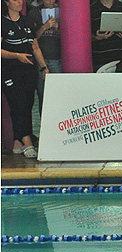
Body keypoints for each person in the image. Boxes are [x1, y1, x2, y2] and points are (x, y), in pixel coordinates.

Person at [3, 0, 48, 158]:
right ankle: (27, 141)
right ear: (7, 3)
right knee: (19, 103)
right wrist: (16, 56)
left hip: (29, 69)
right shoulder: (2, 22)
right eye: (15, 0)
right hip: (9, 70)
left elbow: (35, 47)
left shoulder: (28, 21)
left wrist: (44, 67)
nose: (19, 2)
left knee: (27, 104)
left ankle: (17, 140)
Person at [26, 0, 59, 107]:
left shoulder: (63, 11)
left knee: (58, 94)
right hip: (41, 58)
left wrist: (58, 28)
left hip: (58, 57)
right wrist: (45, 27)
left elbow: (71, 36)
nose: (50, 1)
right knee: (43, 95)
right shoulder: (34, 13)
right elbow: (32, 37)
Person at [90, 0, 122, 71]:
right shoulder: (92, 8)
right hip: (100, 57)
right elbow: (85, 34)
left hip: (120, 56)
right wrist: (97, 38)